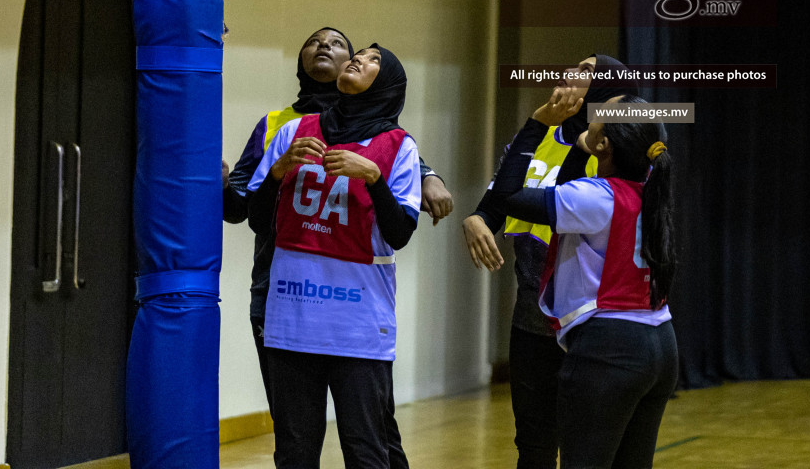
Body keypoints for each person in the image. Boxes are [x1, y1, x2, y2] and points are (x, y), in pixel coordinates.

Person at [223, 27, 453, 410]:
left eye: (338, 43)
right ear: (301, 59)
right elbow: (242, 208)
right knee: (293, 426)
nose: (323, 46)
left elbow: (395, 169)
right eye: (313, 40)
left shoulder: (384, 133)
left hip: (352, 302)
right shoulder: (279, 125)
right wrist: (221, 185)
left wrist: (429, 175)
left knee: (374, 430)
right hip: (279, 289)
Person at [247, 44, 422, 469]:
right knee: (294, 451)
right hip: (293, 317)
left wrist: (375, 180)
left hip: (358, 326)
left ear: (387, 84)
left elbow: (399, 234)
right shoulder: (293, 133)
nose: (360, 59)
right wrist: (276, 172)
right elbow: (256, 220)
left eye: (375, 60)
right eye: (359, 54)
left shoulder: (398, 147)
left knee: (366, 450)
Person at [462, 55, 630, 469]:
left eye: (587, 70)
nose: (572, 72)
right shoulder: (535, 136)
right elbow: (499, 202)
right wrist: (478, 218)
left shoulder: (619, 152)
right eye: (572, 66)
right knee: (534, 447)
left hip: (591, 321)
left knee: (588, 450)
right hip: (532, 317)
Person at [496, 90, 677, 469]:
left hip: (610, 350)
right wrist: (581, 150)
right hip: (660, 343)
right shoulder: (648, 192)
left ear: (606, 142)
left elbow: (509, 195)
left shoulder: (597, 198)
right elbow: (567, 190)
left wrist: (536, 126)